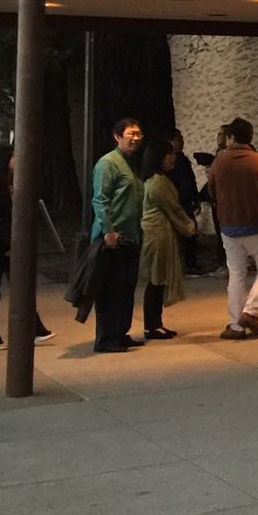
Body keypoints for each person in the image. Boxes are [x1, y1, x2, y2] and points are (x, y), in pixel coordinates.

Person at [207, 116, 258, 339]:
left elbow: (212, 193)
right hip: (256, 225)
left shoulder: (219, 163)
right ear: (250, 138)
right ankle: (250, 312)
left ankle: (236, 325)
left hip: (229, 227)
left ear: (230, 138)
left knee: (236, 273)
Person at [0, 145, 53, 350]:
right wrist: (6, 243)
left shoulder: (13, 181)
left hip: (11, 240)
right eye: (14, 157)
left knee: (22, 286)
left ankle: (35, 329)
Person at [90, 118, 146, 354]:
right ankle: (105, 338)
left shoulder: (129, 163)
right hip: (113, 238)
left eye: (139, 133)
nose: (135, 138)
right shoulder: (108, 163)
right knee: (110, 290)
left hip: (131, 236)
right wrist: (108, 230)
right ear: (117, 136)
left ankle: (120, 333)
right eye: (130, 133)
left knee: (125, 289)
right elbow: (99, 199)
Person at [139, 138, 196, 340]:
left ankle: (156, 323)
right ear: (160, 157)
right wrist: (190, 226)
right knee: (156, 279)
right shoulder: (158, 183)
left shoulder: (156, 180)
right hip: (157, 235)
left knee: (158, 279)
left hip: (158, 233)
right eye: (169, 154)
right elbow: (174, 209)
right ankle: (152, 325)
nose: (173, 157)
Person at [167, 129, 201, 275]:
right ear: (171, 141)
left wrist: (196, 199)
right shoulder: (167, 160)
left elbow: (191, 180)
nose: (182, 141)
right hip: (176, 202)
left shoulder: (183, 159)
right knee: (179, 235)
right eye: (178, 139)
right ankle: (179, 266)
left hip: (187, 202)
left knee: (191, 232)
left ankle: (191, 264)